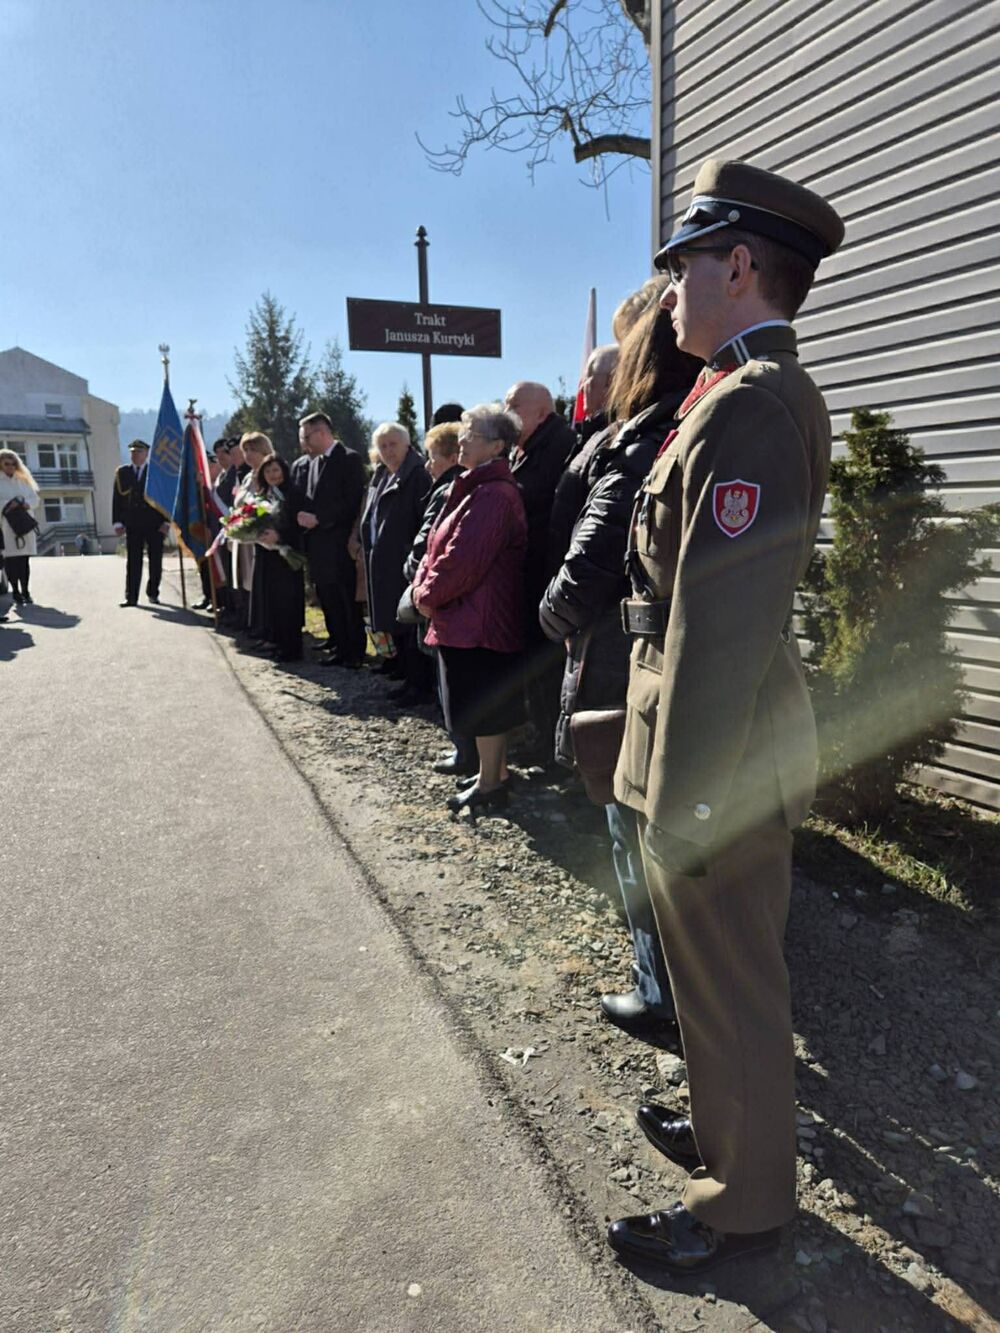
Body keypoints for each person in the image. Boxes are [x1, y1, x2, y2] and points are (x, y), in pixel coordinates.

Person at [605, 159, 845, 1276]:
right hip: (711, 738)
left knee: (735, 986)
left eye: (686, 267)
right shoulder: (735, 393)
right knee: (710, 976)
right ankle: (722, 1134)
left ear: (738, 266)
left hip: (721, 750)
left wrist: (692, 791)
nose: (671, 292)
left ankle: (739, 1210)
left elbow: (724, 620)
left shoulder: (750, 407)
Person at [541, 292, 700, 1041]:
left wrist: (549, 615)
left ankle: (657, 989)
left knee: (629, 829)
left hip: (616, 650)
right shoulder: (689, 412)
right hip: (650, 649)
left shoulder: (638, 438)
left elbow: (590, 561)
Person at [412, 404, 527, 815]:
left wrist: (424, 596)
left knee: (486, 706)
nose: (461, 440)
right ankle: (488, 777)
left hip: (481, 621)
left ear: (496, 445)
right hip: (466, 617)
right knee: (481, 706)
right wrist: (424, 586)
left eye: (471, 434)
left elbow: (463, 560)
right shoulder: (475, 487)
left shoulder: (493, 494)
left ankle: (492, 783)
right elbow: (436, 547)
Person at [503, 381, 576, 766]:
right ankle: (540, 739)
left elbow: (544, 508)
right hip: (529, 576)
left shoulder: (558, 445)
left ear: (541, 412)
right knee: (533, 667)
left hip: (546, 575)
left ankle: (552, 752)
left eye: (513, 404)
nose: (506, 410)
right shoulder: (525, 447)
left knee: (547, 669)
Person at [401, 422, 473, 775]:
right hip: (449, 595)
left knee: (452, 679)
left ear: (450, 457)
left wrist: (413, 572)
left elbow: (426, 539)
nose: (428, 466)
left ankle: (464, 750)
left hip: (440, 594)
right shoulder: (463, 485)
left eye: (432, 458)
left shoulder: (449, 489)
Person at [359, 422, 432, 703]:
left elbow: (423, 520)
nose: (388, 451)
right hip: (384, 561)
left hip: (405, 562)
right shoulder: (381, 474)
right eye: (383, 446)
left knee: (409, 622)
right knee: (394, 621)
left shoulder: (417, 474)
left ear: (407, 444)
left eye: (393, 444)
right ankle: (406, 676)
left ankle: (419, 685)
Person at [295, 411, 367, 669]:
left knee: (346, 598)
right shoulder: (313, 463)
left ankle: (354, 651)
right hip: (319, 546)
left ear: (322, 432)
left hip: (341, 543)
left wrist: (320, 519)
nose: (303, 442)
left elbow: (352, 502)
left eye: (306, 436)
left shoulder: (348, 458)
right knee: (328, 597)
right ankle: (337, 643)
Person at [252, 453, 306, 662]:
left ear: (284, 470)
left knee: (288, 602)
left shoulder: (293, 493)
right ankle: (277, 642)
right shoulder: (264, 495)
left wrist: (280, 536)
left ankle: (292, 648)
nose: (272, 475)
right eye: (267, 471)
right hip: (268, 554)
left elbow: (298, 525)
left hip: (288, 554)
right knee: (272, 601)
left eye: (275, 470)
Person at [112, 440, 168, 607]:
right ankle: (131, 597)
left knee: (155, 560)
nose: (135, 455)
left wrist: (166, 521)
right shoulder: (123, 472)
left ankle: (153, 593)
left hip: (154, 523)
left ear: (146, 454)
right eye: (133, 452)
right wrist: (117, 522)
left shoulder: (156, 472)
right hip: (133, 523)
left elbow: (166, 498)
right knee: (133, 561)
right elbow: (117, 499)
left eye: (139, 452)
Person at [232, 432, 274, 643]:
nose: (248, 454)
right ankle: (252, 623)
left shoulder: (268, 473)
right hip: (245, 537)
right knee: (247, 583)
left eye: (253, 450)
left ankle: (264, 628)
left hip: (262, 538)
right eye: (245, 450)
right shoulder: (248, 476)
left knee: (260, 586)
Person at [0, 450, 40, 604]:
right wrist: (10, 504)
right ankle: (15, 591)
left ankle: (26, 590)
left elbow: (35, 500)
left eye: (13, 464)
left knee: (24, 559)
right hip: (7, 526)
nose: (10, 467)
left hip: (25, 525)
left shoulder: (23, 480)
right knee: (11, 560)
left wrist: (24, 503)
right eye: (6, 464)